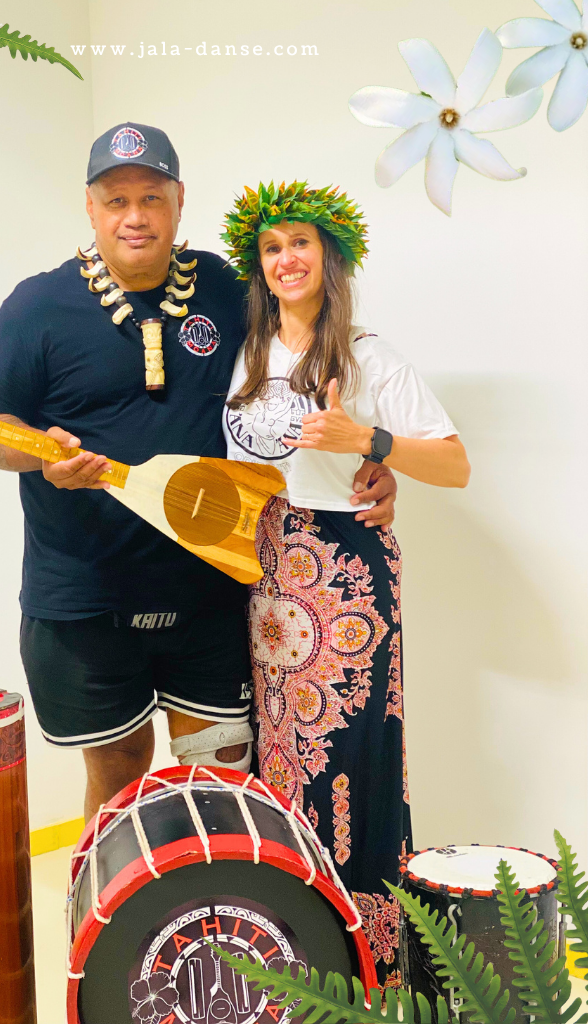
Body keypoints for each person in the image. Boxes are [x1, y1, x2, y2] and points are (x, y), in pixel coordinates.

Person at [0, 124, 397, 823]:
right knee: (119, 780)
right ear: (90, 207)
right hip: (85, 599)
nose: (135, 216)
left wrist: (370, 457)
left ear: (179, 200)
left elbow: (302, 369)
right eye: (117, 200)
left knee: (223, 781)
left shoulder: (225, 288)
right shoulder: (37, 307)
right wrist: (39, 454)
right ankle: (106, 898)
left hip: (211, 587)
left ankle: (223, 900)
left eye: (152, 198)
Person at [221, 180, 470, 988]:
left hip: (345, 574)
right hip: (269, 571)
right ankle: (293, 947)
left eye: (300, 242)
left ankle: (370, 961)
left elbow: (456, 465)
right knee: (282, 755)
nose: (286, 259)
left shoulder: (367, 354)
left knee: (351, 759)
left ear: (330, 257)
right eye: (271, 247)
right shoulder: (250, 354)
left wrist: (371, 441)